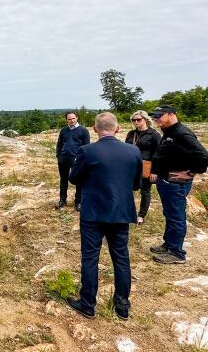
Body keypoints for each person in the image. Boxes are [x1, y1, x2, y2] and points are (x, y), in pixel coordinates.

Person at [66, 112, 141, 321]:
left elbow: (73, 178)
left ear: (95, 129)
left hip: (93, 212)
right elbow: (136, 184)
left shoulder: (87, 151)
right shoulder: (133, 151)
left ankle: (88, 304)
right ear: (117, 129)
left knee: (90, 258)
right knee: (121, 258)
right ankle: (122, 305)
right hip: (121, 212)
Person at [149, 105, 208, 264]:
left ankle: (177, 253)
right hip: (166, 181)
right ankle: (169, 244)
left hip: (176, 184)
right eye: (155, 117)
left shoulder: (182, 133)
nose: (156, 120)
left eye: (159, 116)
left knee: (176, 216)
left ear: (170, 115)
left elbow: (203, 156)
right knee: (169, 214)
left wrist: (190, 173)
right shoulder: (170, 132)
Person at [124, 110, 161, 224]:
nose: (136, 122)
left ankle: (141, 215)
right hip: (131, 166)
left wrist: (155, 171)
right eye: (134, 120)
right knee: (127, 189)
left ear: (145, 120)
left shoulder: (154, 134)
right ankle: (127, 212)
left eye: (138, 119)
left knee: (145, 191)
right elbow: (125, 149)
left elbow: (158, 154)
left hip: (146, 167)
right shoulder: (131, 133)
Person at [56, 112, 91, 211]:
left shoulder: (83, 131)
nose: (72, 120)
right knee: (63, 180)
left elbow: (86, 146)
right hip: (63, 159)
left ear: (77, 118)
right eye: (69, 119)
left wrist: (81, 158)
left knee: (79, 180)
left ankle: (78, 202)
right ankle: (62, 200)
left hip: (77, 160)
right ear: (66, 120)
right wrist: (59, 156)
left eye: (73, 118)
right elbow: (59, 144)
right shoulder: (63, 131)